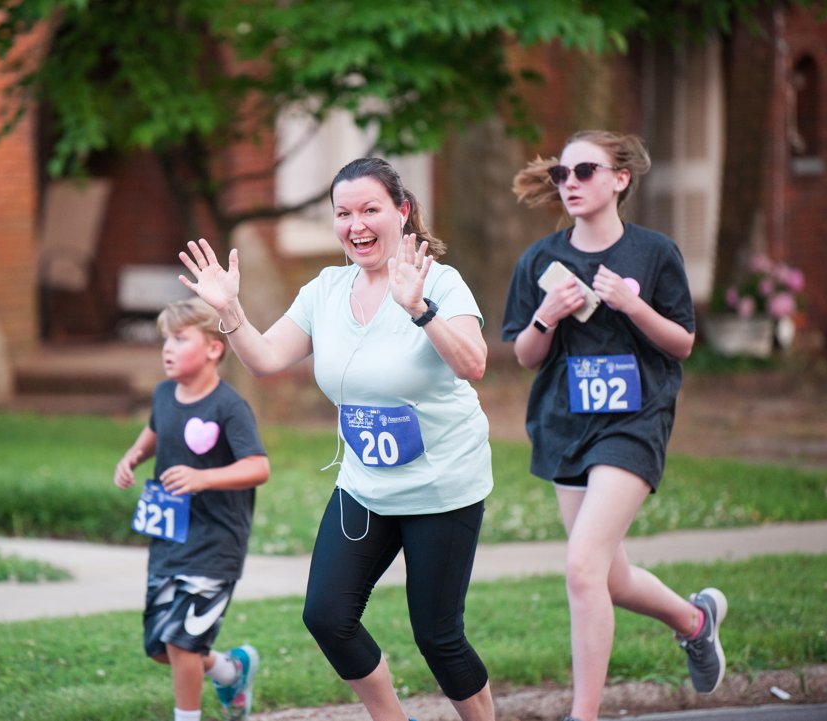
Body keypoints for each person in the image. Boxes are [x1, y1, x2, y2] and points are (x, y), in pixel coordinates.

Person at [177, 157, 497, 721]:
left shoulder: (438, 282)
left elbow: (473, 364)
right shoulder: (325, 289)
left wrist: (419, 309)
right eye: (343, 214)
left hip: (442, 488)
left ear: (402, 211)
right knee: (327, 616)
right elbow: (266, 359)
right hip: (365, 486)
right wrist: (229, 309)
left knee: (438, 635)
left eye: (370, 209)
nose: (357, 225)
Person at [501, 130, 728, 721]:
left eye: (585, 171)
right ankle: (695, 621)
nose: (570, 183)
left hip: (634, 421)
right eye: (562, 174)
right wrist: (546, 317)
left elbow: (682, 343)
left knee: (582, 568)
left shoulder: (653, 253)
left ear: (620, 179)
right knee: (610, 577)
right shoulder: (540, 260)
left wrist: (632, 305)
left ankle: (584, 715)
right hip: (564, 424)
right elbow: (525, 355)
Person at [114, 297, 271, 721]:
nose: (167, 347)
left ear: (213, 349)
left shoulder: (229, 406)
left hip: (215, 543)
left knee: (182, 642)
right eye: (165, 339)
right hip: (169, 537)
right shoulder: (164, 394)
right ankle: (230, 670)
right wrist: (133, 456)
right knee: (160, 645)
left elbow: (259, 467)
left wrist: (204, 478)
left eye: (180, 339)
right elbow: (156, 429)